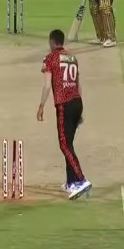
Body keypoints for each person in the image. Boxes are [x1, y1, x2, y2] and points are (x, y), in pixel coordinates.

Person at [36, 29, 92, 200]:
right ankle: (71, 182)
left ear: (52, 43)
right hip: (77, 102)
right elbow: (78, 84)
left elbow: (47, 86)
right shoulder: (72, 58)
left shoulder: (50, 58)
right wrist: (80, 111)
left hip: (64, 104)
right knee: (69, 143)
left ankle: (81, 180)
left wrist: (41, 106)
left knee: (64, 145)